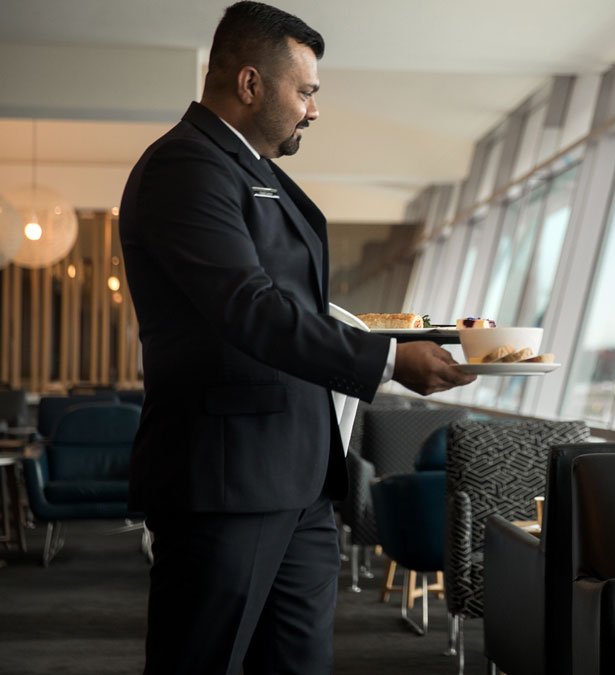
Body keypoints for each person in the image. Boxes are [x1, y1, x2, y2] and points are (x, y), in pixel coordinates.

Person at [118, 2, 476, 673]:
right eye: (305, 92)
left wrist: (408, 337)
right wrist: (391, 360)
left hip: (298, 479)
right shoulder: (185, 167)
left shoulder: (251, 171)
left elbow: (292, 305)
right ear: (251, 83)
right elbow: (248, 308)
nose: (313, 111)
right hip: (227, 481)